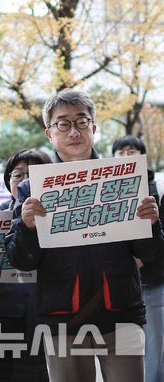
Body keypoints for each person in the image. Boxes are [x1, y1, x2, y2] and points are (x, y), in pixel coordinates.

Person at [6, 89, 164, 382]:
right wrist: (27, 229)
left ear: (94, 127)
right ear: (49, 134)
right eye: (63, 124)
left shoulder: (125, 178)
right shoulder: (33, 189)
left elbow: (151, 254)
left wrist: (151, 224)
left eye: (82, 121)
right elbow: (22, 261)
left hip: (121, 314)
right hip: (62, 318)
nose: (74, 131)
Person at [0, 149, 52, 382]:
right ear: (8, 181)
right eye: (18, 175)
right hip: (4, 315)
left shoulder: (62, 216)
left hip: (50, 316)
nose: (26, 182)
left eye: (34, 174)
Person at [112, 135, 164, 382]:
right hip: (119, 286)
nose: (124, 156)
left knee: (155, 346)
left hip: (152, 282)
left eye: (131, 151)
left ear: (142, 157)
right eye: (119, 152)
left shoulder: (157, 191)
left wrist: (141, 259)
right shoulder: (107, 190)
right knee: (126, 352)